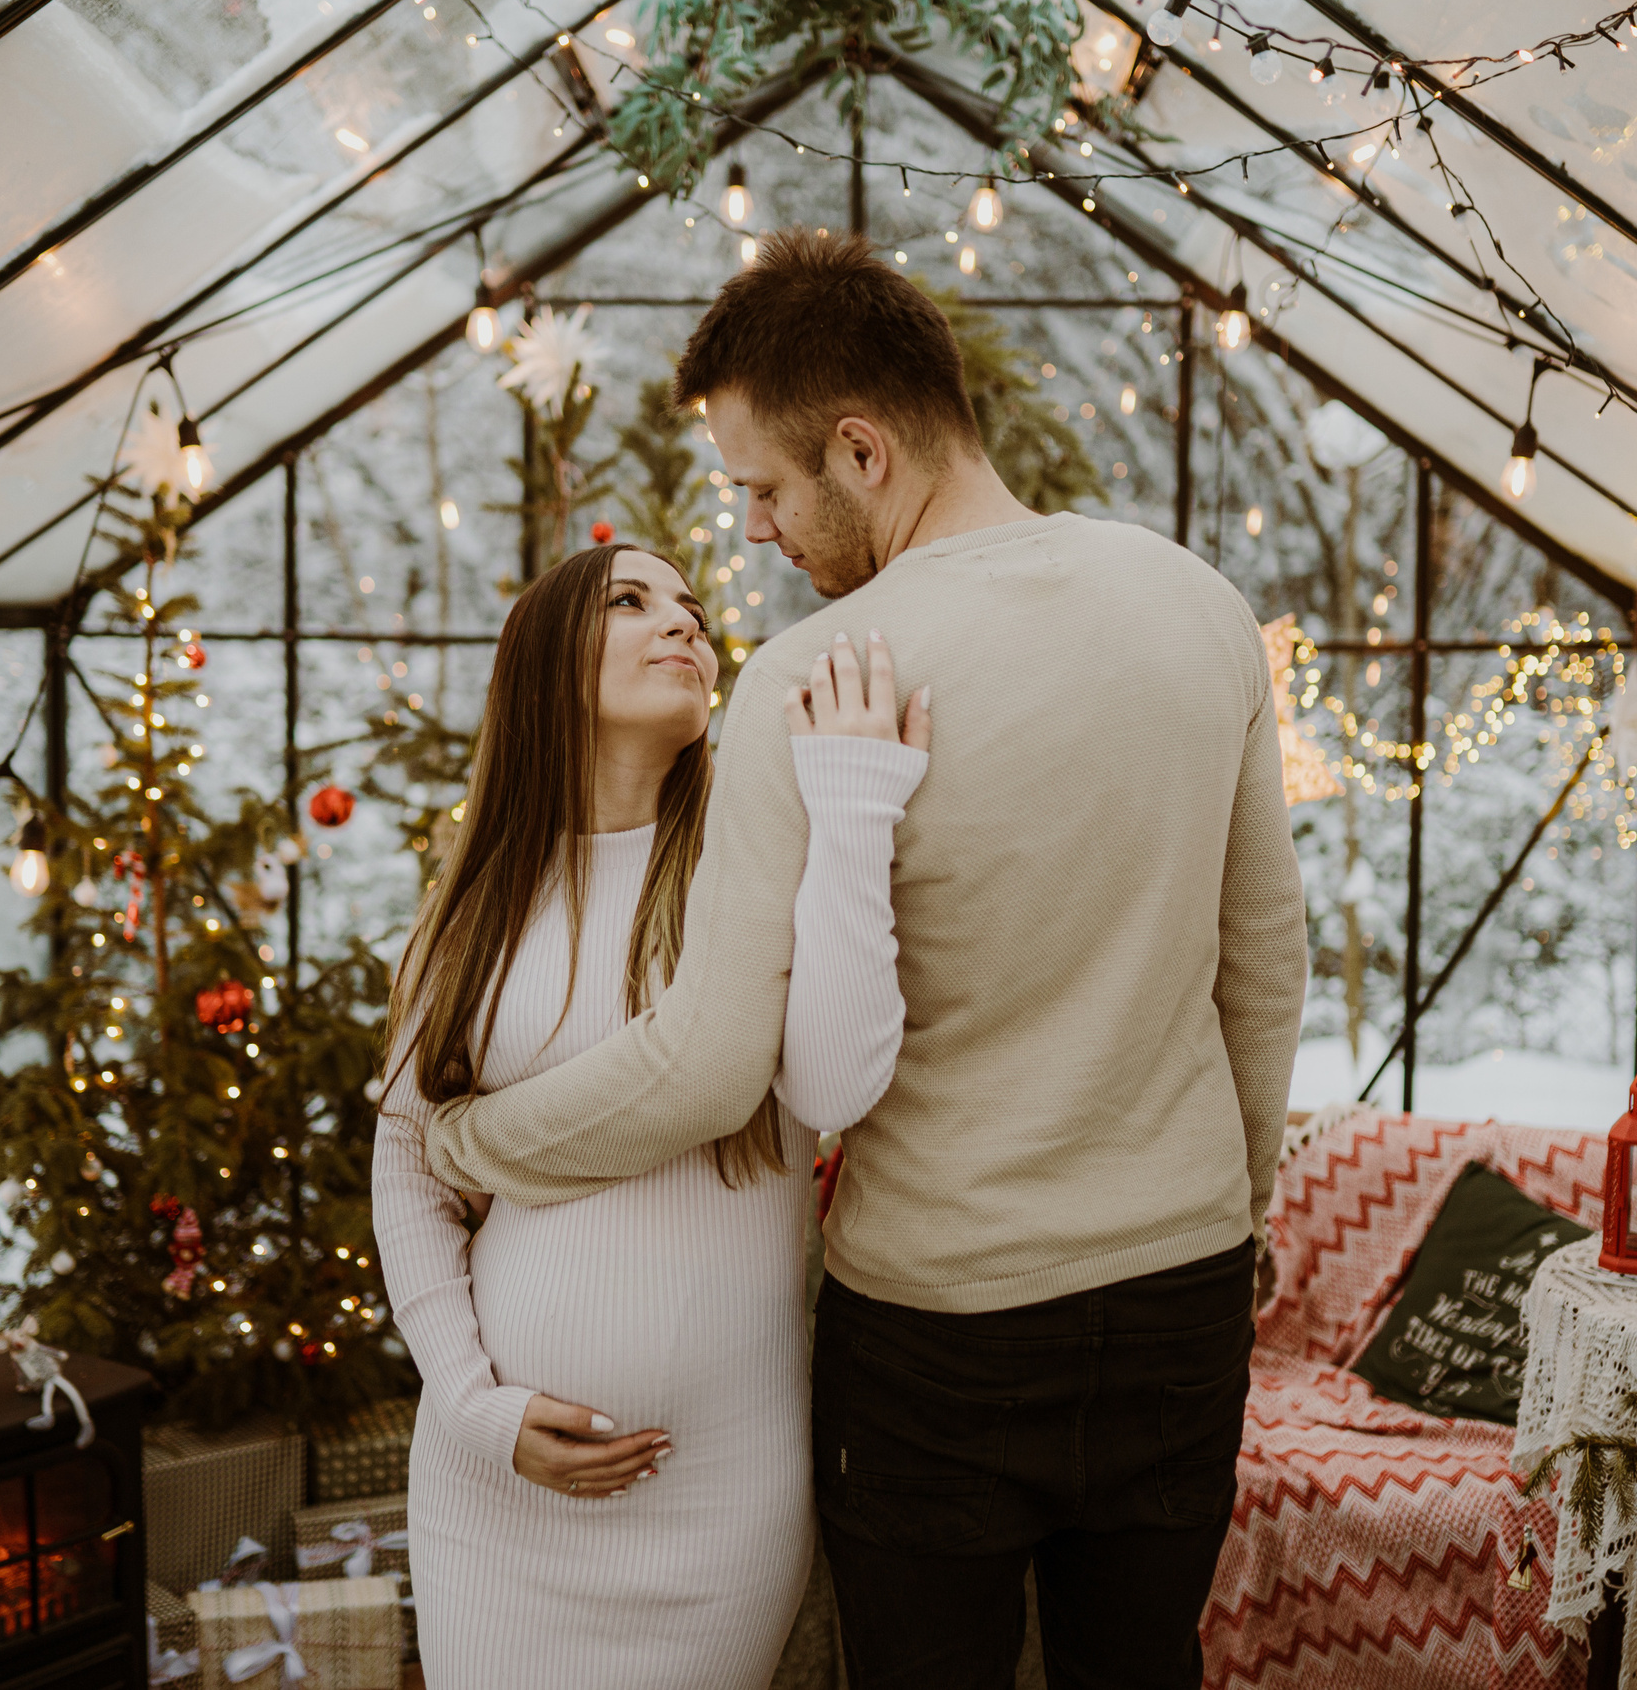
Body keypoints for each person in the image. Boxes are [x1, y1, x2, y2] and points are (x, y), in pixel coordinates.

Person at [423, 230, 1307, 1689]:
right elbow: (1260, 964)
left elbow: (714, 1065)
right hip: (1181, 1293)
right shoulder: (1201, 608)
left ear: (861, 447)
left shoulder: (815, 679)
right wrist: (1231, 1204)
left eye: (765, 486)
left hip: (943, 1333)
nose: (758, 530)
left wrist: (473, 1134)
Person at [370, 542, 932, 1689]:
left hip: (719, 1492)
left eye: (691, 607)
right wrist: (477, 1410)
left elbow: (830, 1090)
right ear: (540, 664)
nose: (684, 623)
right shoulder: (472, 902)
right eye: (631, 602)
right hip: (495, 1497)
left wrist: (854, 811)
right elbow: (408, 1162)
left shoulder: (750, 862)